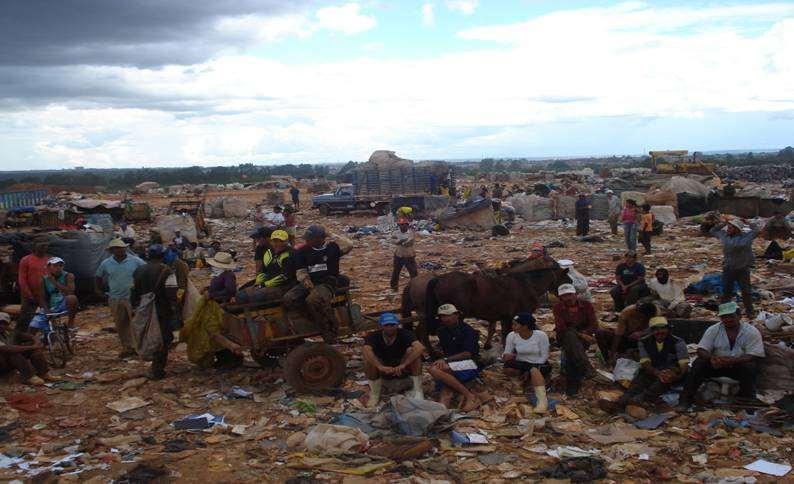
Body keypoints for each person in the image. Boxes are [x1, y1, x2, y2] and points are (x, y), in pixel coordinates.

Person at [677, 302, 764, 410]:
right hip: (717, 365)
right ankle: (685, 400)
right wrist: (712, 358)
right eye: (724, 317)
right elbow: (701, 349)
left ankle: (748, 402)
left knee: (749, 366)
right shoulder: (714, 329)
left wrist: (734, 361)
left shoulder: (751, 331)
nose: (728, 320)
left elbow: (755, 355)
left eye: (731, 316)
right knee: (698, 364)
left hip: (738, 366)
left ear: (739, 316)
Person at [599, 316, 688, 412]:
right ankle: (620, 404)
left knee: (661, 383)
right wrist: (657, 373)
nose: (660, 332)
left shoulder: (678, 342)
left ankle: (641, 399)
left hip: (672, 371)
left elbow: (683, 365)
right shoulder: (644, 341)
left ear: (668, 329)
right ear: (651, 331)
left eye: (663, 328)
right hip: (652, 370)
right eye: (656, 329)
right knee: (637, 385)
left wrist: (675, 375)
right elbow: (645, 363)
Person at [283, 225, 353, 342]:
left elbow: (349, 245)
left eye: (310, 238)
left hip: (326, 282)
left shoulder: (332, 248)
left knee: (313, 300)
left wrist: (330, 234)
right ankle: (313, 318)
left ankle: (329, 327)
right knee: (288, 299)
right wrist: (306, 281)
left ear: (320, 238)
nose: (307, 241)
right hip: (309, 281)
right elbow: (301, 270)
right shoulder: (302, 252)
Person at [95, 238, 146, 358]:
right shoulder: (106, 263)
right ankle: (127, 347)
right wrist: (98, 290)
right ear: (112, 251)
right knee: (121, 324)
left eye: (121, 248)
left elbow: (146, 271)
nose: (120, 250)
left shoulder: (135, 261)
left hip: (132, 298)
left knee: (136, 323)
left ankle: (139, 347)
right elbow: (98, 276)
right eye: (117, 249)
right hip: (115, 297)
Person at [363, 312, 425, 408]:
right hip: (384, 371)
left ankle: (418, 391)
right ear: (380, 326)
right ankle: (375, 394)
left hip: (402, 369)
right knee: (368, 358)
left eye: (392, 325)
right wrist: (380, 366)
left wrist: (404, 364)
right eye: (386, 325)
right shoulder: (373, 336)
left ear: (397, 325)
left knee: (412, 351)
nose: (390, 328)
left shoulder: (405, 333)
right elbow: (366, 350)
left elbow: (420, 347)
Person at [428, 304, 482, 411]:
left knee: (433, 369)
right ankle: (442, 413)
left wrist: (445, 360)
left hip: (469, 363)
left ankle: (470, 396)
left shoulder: (468, 330)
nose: (446, 318)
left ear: (457, 315)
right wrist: (445, 361)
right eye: (443, 316)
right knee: (445, 390)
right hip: (451, 364)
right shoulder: (441, 331)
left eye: (449, 315)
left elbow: (468, 353)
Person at [132, 245, 174, 379]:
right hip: (162, 310)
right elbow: (172, 293)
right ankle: (157, 369)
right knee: (163, 338)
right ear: (162, 256)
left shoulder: (139, 270)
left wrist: (136, 307)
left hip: (144, 308)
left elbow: (134, 291)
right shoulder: (167, 271)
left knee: (148, 334)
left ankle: (152, 363)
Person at [553, 284, 598, 396]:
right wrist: (582, 335)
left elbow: (594, 324)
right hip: (565, 336)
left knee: (571, 353)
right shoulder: (558, 307)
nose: (568, 298)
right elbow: (561, 327)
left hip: (583, 337)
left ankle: (572, 388)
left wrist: (584, 334)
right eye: (564, 296)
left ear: (576, 295)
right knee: (569, 336)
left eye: (570, 294)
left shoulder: (586, 305)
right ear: (561, 298)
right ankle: (586, 368)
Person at [709, 217, 760, 317]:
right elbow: (713, 230)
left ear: (737, 229)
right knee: (727, 292)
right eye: (728, 227)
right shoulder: (724, 236)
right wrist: (724, 223)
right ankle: (724, 312)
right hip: (728, 268)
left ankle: (750, 313)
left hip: (742, 268)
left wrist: (748, 221)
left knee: (746, 292)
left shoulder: (746, 237)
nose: (728, 229)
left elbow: (756, 230)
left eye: (731, 228)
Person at [502, 313, 550, 413]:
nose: (513, 327)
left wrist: (530, 368)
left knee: (533, 370)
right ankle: (519, 382)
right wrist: (507, 356)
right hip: (521, 362)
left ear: (525, 326)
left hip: (538, 363)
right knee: (508, 367)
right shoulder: (512, 336)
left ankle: (542, 401)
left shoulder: (541, 336)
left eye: (515, 325)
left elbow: (544, 356)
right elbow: (507, 353)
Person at [238, 230, 294, 303]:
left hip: (284, 285)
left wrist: (264, 284)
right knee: (240, 295)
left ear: (286, 242)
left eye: (281, 241)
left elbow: (284, 276)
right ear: (271, 242)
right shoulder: (268, 253)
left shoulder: (290, 254)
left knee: (256, 296)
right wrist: (258, 282)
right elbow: (264, 272)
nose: (278, 244)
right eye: (275, 241)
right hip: (267, 282)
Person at [0, 312, 49, 385]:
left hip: (7, 362)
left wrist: (36, 342)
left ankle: (43, 373)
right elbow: (6, 349)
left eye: (4, 324)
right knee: (13, 352)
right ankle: (28, 377)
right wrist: (32, 347)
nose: (1, 326)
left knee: (35, 351)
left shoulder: (8, 332)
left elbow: (29, 336)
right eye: (0, 323)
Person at [17, 240, 50, 336]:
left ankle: (46, 338)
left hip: (44, 295)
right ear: (35, 247)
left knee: (47, 316)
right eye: (41, 246)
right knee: (25, 318)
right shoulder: (26, 260)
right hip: (30, 295)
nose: (43, 248)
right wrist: (28, 294)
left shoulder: (49, 260)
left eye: (45, 246)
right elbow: (22, 279)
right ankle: (19, 338)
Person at [36, 257, 78, 328]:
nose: (58, 268)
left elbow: (71, 291)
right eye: (55, 266)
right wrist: (46, 309)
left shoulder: (68, 276)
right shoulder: (43, 280)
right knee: (33, 326)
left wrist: (54, 282)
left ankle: (71, 322)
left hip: (64, 303)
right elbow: (41, 297)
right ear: (49, 267)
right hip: (52, 305)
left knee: (72, 298)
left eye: (60, 266)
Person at [390, 218, 418, 292]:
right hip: (399, 255)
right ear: (399, 225)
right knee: (396, 272)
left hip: (409, 255)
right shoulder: (396, 233)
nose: (403, 226)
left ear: (407, 225)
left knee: (413, 273)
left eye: (405, 225)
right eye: (401, 225)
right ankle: (394, 288)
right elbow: (392, 240)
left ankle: (415, 288)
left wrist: (401, 242)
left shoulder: (411, 233)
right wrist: (400, 241)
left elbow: (410, 243)